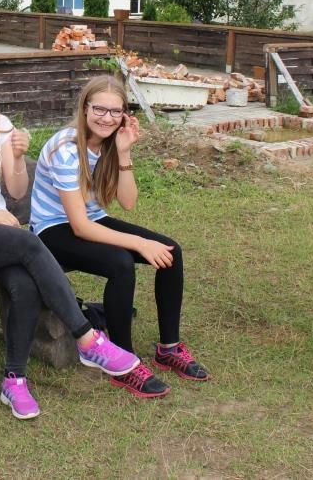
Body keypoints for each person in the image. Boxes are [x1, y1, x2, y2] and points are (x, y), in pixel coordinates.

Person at [0, 54, 141, 418]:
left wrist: (16, 158)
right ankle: (87, 337)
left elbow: (16, 191)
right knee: (32, 243)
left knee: (25, 284)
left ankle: (14, 380)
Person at [30, 75, 210, 398]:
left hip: (91, 220)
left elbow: (127, 202)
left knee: (171, 251)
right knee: (120, 263)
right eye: (100, 109)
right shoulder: (66, 149)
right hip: (51, 231)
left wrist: (124, 153)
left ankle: (169, 348)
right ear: (85, 108)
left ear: (124, 114)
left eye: (116, 111)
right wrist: (140, 243)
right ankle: (124, 362)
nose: (107, 118)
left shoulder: (111, 144)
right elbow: (80, 227)